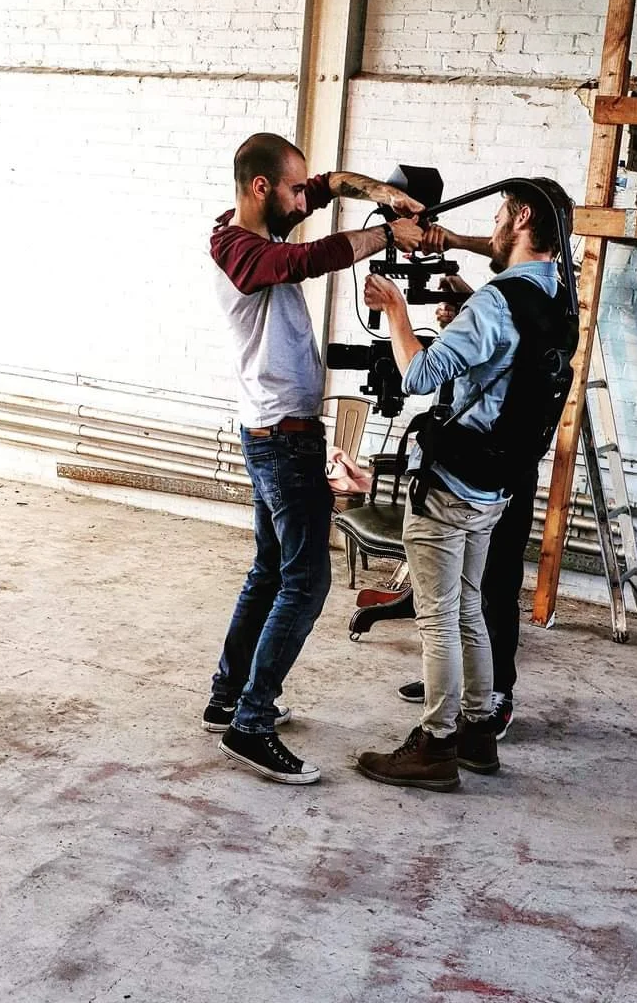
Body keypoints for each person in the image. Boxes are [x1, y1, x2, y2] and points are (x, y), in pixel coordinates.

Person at [203, 132, 424, 785]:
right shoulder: (238, 249)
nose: (306, 199)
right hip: (281, 439)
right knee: (306, 580)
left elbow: (329, 184)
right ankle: (251, 722)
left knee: (271, 569)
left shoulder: (257, 226)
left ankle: (226, 697)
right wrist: (388, 239)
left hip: (274, 433)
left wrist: (384, 196)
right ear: (261, 188)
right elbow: (309, 260)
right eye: (293, 189)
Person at [356, 179, 574, 792]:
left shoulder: (497, 303)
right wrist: (472, 304)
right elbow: (509, 350)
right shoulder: (558, 296)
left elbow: (421, 375)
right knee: (471, 612)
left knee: (439, 619)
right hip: (497, 486)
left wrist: (397, 310)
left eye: (503, 212)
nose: (497, 224)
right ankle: (479, 731)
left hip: (451, 484)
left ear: (522, 216)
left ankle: (436, 743)